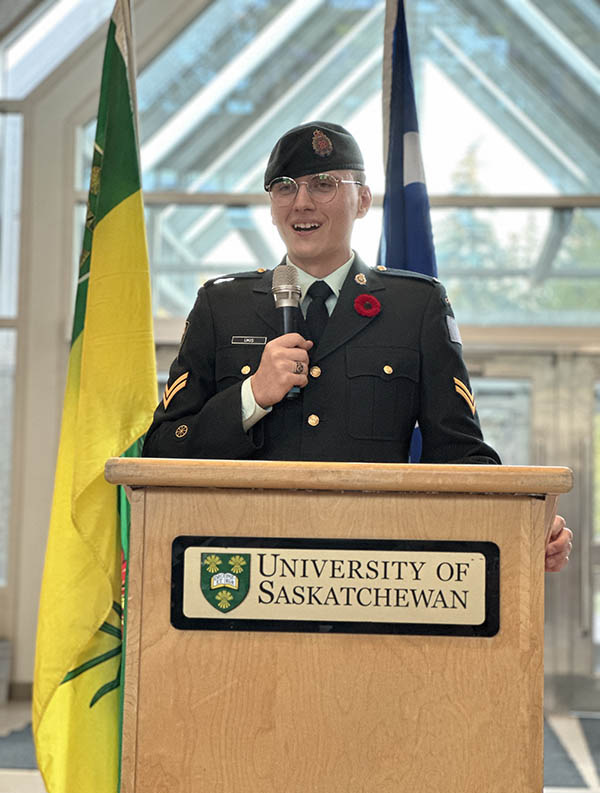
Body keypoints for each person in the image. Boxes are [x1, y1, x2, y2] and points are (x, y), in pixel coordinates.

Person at [142, 121, 573, 572]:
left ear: (362, 200)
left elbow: (459, 453)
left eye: (323, 184)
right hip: (244, 576)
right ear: (271, 205)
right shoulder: (221, 304)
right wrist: (251, 397)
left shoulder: (415, 306)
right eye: (284, 187)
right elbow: (162, 453)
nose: (302, 202)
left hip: (371, 577)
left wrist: (522, 526)